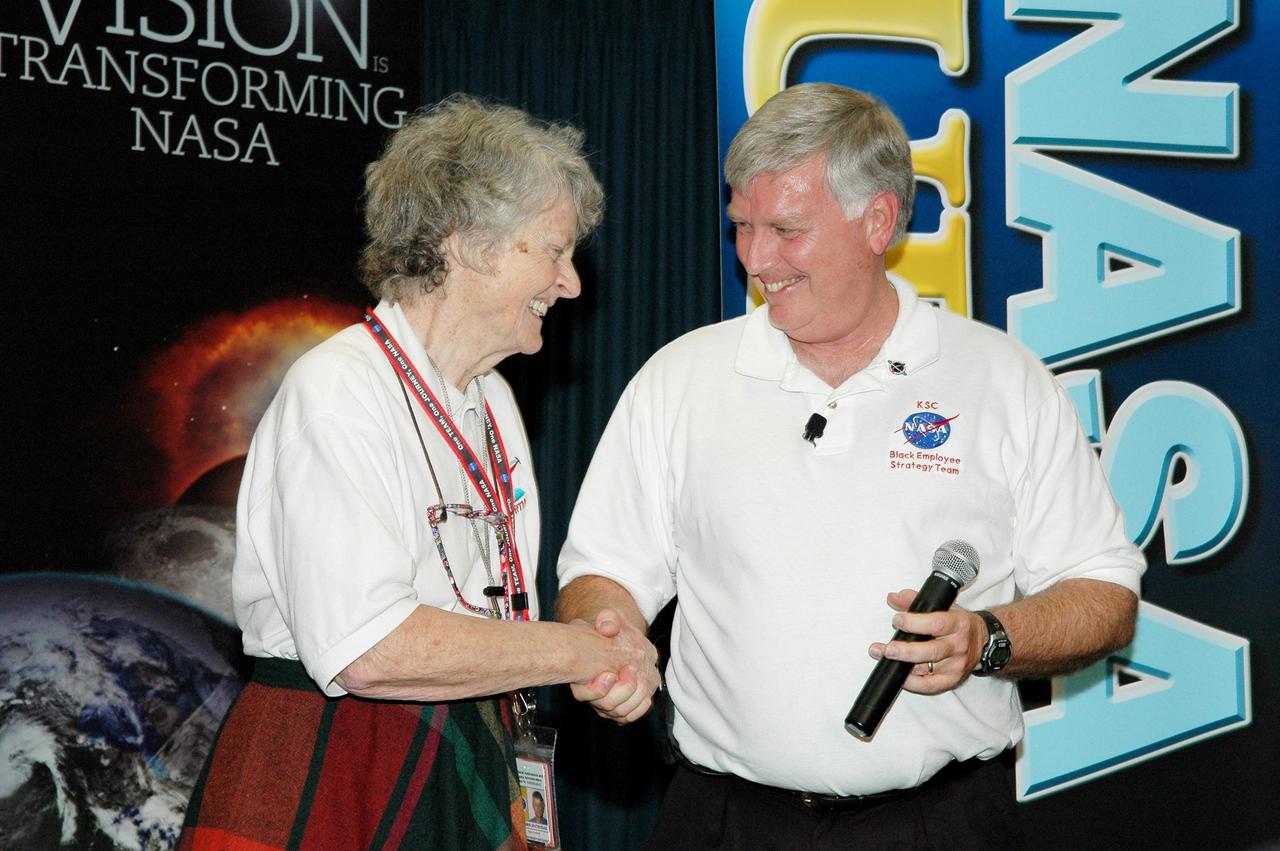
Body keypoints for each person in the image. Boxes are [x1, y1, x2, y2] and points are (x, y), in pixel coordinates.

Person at [556, 82, 1144, 848]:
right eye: (742, 226)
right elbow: (603, 571)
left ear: (879, 222)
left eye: (787, 229)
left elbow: (1105, 593)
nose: (756, 259)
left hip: (942, 822)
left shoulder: (1000, 378)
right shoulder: (681, 378)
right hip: (723, 820)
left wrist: (987, 638)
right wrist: (609, 638)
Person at [180, 94, 657, 851]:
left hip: (464, 738)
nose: (570, 284)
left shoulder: (491, 398)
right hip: (337, 760)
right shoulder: (340, 390)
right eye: (552, 249)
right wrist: (575, 650)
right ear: (468, 243)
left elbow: (491, 612)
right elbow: (369, 648)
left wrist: (593, 657)